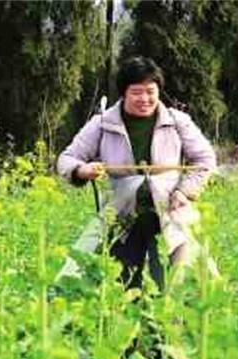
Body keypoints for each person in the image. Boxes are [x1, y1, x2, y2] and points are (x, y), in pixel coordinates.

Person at [57, 56, 216, 291]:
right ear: (124, 93)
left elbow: (205, 159)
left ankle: (174, 325)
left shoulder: (177, 121)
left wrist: (184, 192)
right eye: (137, 92)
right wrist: (82, 170)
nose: (145, 99)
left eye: (150, 92)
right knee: (122, 282)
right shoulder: (102, 123)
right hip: (123, 214)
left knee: (181, 279)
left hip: (170, 212)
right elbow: (67, 159)